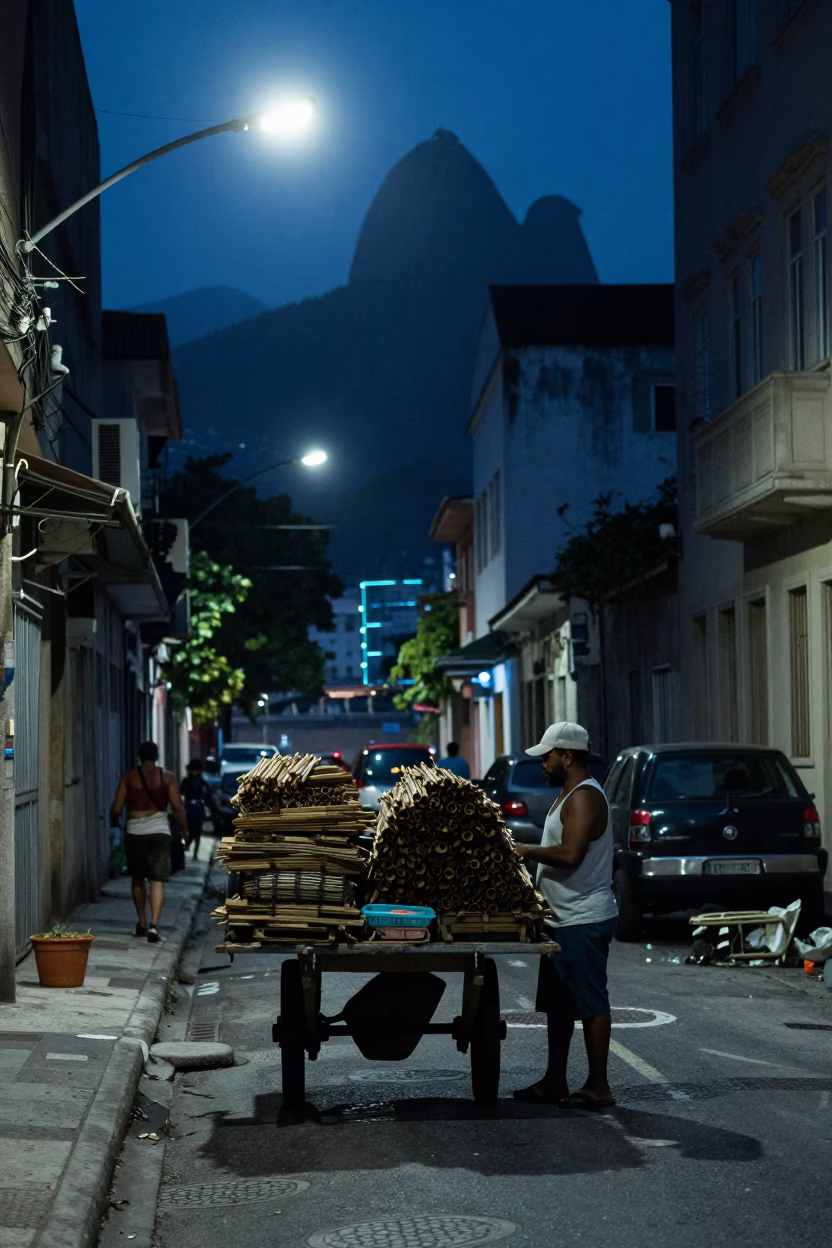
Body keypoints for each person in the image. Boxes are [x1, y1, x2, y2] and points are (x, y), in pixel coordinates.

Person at [510, 721, 618, 1109]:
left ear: (567, 756)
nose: (543, 763)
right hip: (560, 918)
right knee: (558, 1006)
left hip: (583, 917)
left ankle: (599, 1085)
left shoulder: (585, 797)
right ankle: (555, 1079)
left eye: (548, 755)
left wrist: (525, 851)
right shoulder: (566, 794)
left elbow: (571, 855)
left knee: (590, 1002)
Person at [110, 741, 187, 943]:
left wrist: (115, 826)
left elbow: (116, 808)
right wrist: (185, 830)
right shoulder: (167, 777)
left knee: (137, 879)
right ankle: (154, 926)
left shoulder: (129, 777)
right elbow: (178, 808)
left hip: (135, 831)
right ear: (157, 756)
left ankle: (142, 922)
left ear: (139, 756)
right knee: (157, 880)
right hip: (160, 831)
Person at [180, 758, 218, 860]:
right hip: (189, 809)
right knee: (190, 831)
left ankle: (195, 853)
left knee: (197, 833)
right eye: (194, 770)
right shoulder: (186, 781)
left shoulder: (202, 782)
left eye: (197, 770)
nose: (195, 772)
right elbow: (181, 793)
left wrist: (213, 809)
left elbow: (208, 797)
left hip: (199, 810)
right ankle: (187, 845)